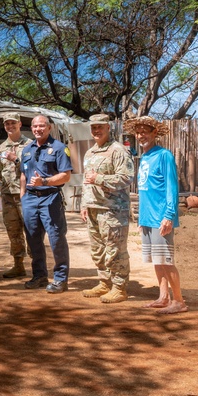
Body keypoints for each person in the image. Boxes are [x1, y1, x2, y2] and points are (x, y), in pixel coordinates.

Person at [126, 116, 188, 314]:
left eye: (145, 131)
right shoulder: (145, 157)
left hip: (161, 217)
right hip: (147, 217)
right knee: (157, 260)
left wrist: (169, 215)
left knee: (166, 260)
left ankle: (178, 301)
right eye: (138, 131)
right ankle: (163, 297)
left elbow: (172, 188)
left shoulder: (164, 156)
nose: (141, 135)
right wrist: (141, 218)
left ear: (155, 133)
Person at [80, 113, 134, 303]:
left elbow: (126, 177)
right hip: (94, 208)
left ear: (108, 127)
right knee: (98, 250)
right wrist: (84, 204)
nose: (96, 130)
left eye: (100, 127)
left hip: (112, 210)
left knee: (115, 250)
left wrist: (100, 179)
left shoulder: (117, 150)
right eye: (93, 127)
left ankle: (119, 287)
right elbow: (85, 180)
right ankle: (104, 283)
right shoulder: (90, 152)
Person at [20, 114, 73, 293]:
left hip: (50, 198)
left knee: (56, 238)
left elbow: (66, 175)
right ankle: (39, 275)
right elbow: (23, 174)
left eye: (42, 126)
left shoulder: (59, 148)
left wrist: (44, 182)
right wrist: (23, 197)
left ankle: (60, 279)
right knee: (33, 239)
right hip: (30, 199)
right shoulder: (26, 150)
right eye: (35, 126)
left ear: (49, 128)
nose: (38, 129)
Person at [0, 112, 32, 279]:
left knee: (31, 231)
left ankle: (38, 266)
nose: (10, 126)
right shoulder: (1, 148)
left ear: (20, 123)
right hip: (8, 196)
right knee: (13, 231)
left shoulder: (30, 145)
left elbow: (34, 167)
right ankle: (18, 265)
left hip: (28, 195)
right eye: (7, 124)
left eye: (13, 123)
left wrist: (17, 160)